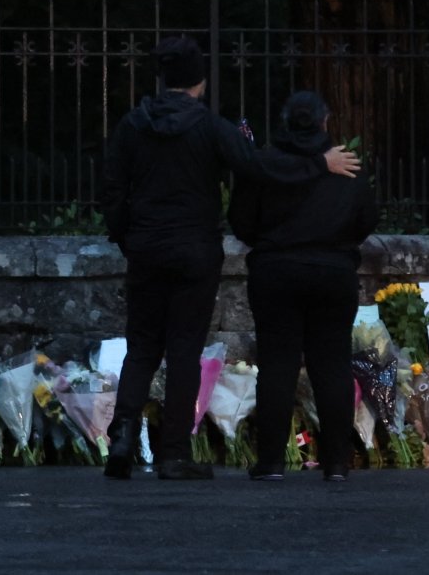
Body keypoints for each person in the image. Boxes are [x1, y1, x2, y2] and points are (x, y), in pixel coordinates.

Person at [101, 37, 361, 480]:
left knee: (142, 344)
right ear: (201, 81)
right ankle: (174, 453)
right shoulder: (211, 128)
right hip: (194, 249)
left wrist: (128, 237)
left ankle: (123, 435)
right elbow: (258, 168)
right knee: (184, 348)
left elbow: (111, 188)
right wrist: (319, 164)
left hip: (146, 247)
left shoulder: (133, 125)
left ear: (163, 78)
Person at [227, 90, 378, 482]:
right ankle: (337, 462)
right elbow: (366, 219)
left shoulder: (264, 166)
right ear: (325, 123)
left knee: (277, 365)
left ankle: (272, 460)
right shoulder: (345, 166)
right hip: (333, 270)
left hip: (275, 271)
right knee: (332, 366)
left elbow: (241, 221)